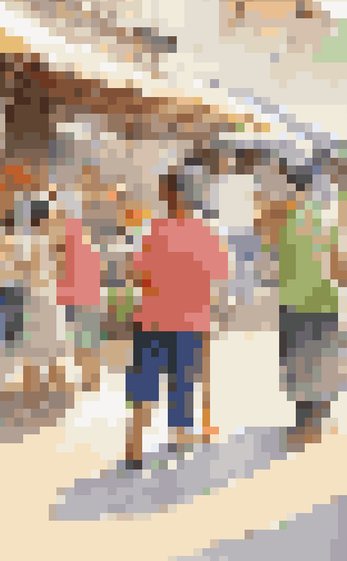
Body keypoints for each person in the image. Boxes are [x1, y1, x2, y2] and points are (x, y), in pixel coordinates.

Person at [123, 169, 231, 468]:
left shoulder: (152, 232)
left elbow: (136, 276)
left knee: (143, 387)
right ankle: (178, 447)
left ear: (166, 196)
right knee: (182, 386)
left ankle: (135, 449)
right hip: (190, 324)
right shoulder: (206, 234)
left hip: (152, 321)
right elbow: (218, 277)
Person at [262, 158, 347, 451]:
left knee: (298, 363)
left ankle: (304, 425)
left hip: (292, 302)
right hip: (325, 301)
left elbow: (267, 248)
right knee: (322, 359)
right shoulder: (326, 218)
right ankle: (318, 420)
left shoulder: (277, 217)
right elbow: (341, 268)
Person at [55, 187, 106, 393]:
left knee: (83, 337)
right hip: (81, 292)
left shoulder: (70, 232)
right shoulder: (83, 232)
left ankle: (90, 377)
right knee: (84, 337)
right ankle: (90, 376)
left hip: (79, 293)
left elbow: (62, 263)